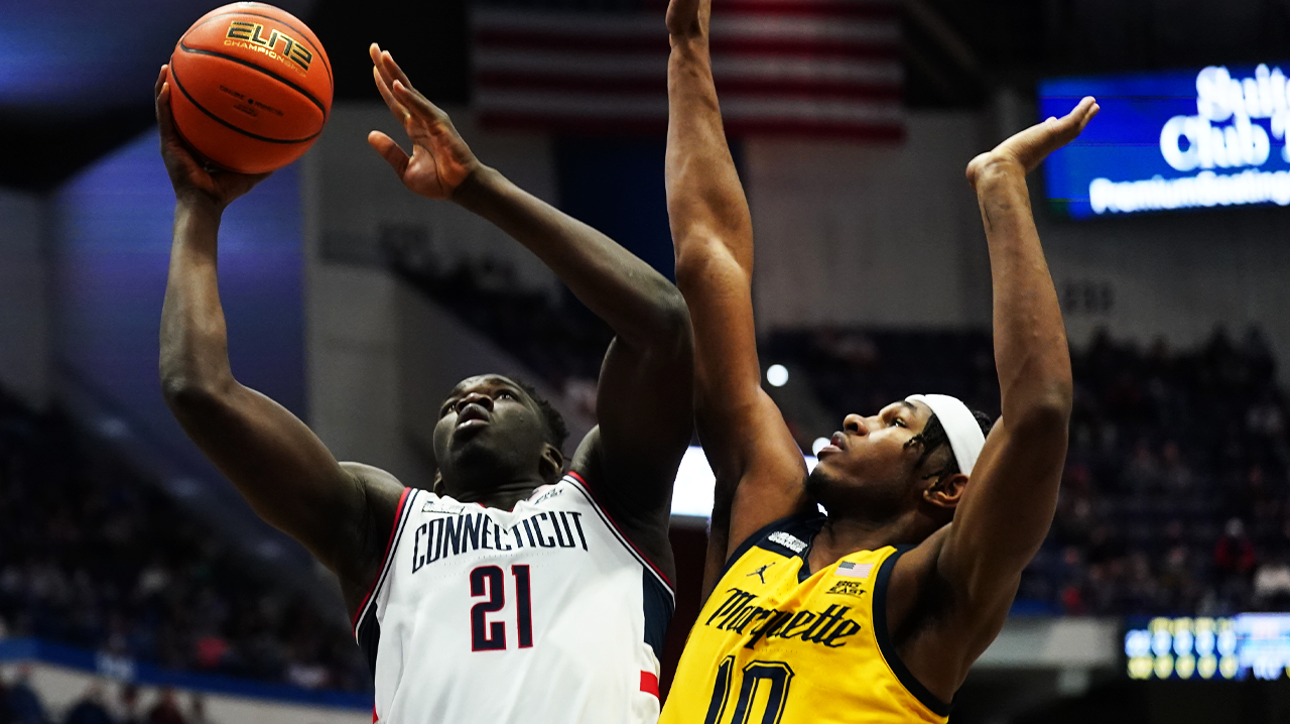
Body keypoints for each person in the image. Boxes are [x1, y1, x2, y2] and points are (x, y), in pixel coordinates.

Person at [153, 41, 693, 724]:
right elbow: (196, 388)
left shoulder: (613, 505)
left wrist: (480, 188)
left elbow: (662, 324)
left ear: (554, 457)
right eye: (452, 403)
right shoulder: (383, 523)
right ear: (434, 475)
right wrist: (196, 206)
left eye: (501, 392)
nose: (471, 399)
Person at [657, 0, 1096, 719]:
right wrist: (686, 46)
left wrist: (1001, 184)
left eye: (897, 422)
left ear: (948, 490)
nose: (858, 417)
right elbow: (709, 261)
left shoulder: (933, 593)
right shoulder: (768, 516)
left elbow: (1041, 410)